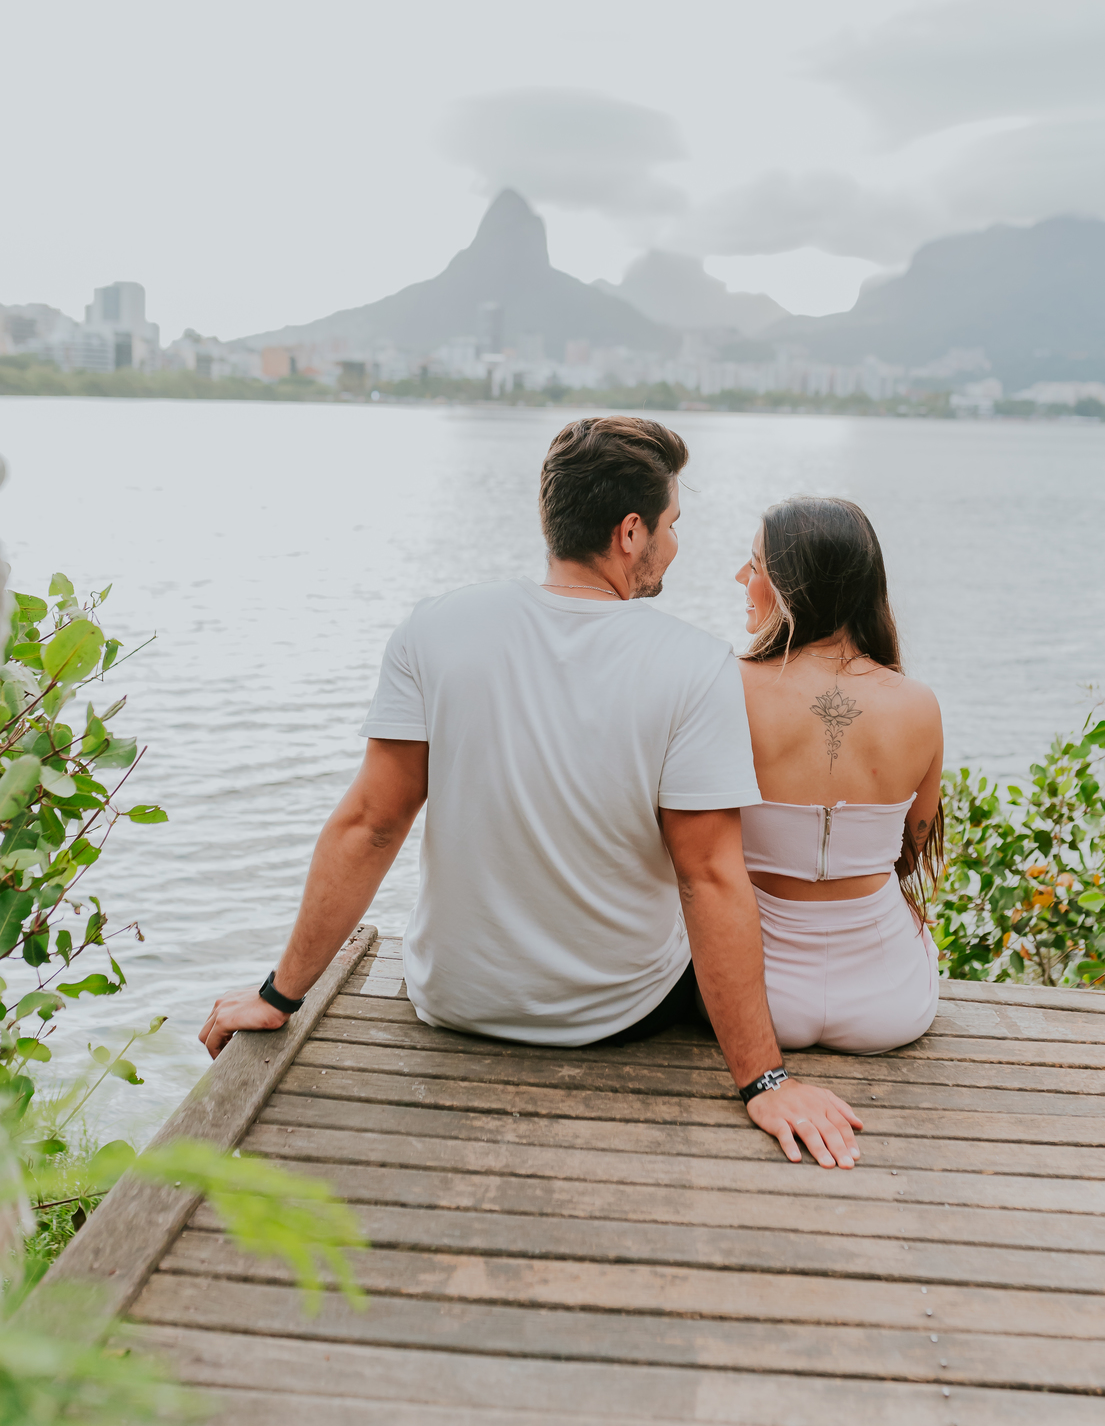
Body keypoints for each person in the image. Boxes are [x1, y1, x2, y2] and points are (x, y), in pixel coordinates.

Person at [200, 418, 863, 1168]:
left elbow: (369, 824)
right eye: (673, 524)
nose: (676, 545)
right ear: (631, 531)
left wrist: (278, 995)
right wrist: (764, 1080)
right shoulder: (695, 665)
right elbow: (708, 875)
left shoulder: (436, 628)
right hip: (620, 1013)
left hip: (453, 1002)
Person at [735, 495, 943, 1053]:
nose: (740, 577)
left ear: (793, 585)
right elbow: (913, 845)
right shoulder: (919, 704)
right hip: (890, 999)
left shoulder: (727, 687)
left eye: (754, 565)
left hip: (753, 994)